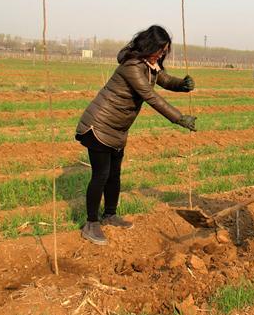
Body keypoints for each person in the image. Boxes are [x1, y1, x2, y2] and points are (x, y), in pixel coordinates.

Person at [76, 25, 197, 245]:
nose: (161, 54)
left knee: (114, 175)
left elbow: (164, 79)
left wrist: (182, 85)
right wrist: (179, 118)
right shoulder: (132, 66)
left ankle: (110, 215)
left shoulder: (149, 65)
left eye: (164, 51)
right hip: (98, 126)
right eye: (159, 50)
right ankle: (91, 223)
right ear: (149, 46)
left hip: (117, 129)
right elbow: (151, 97)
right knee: (101, 175)